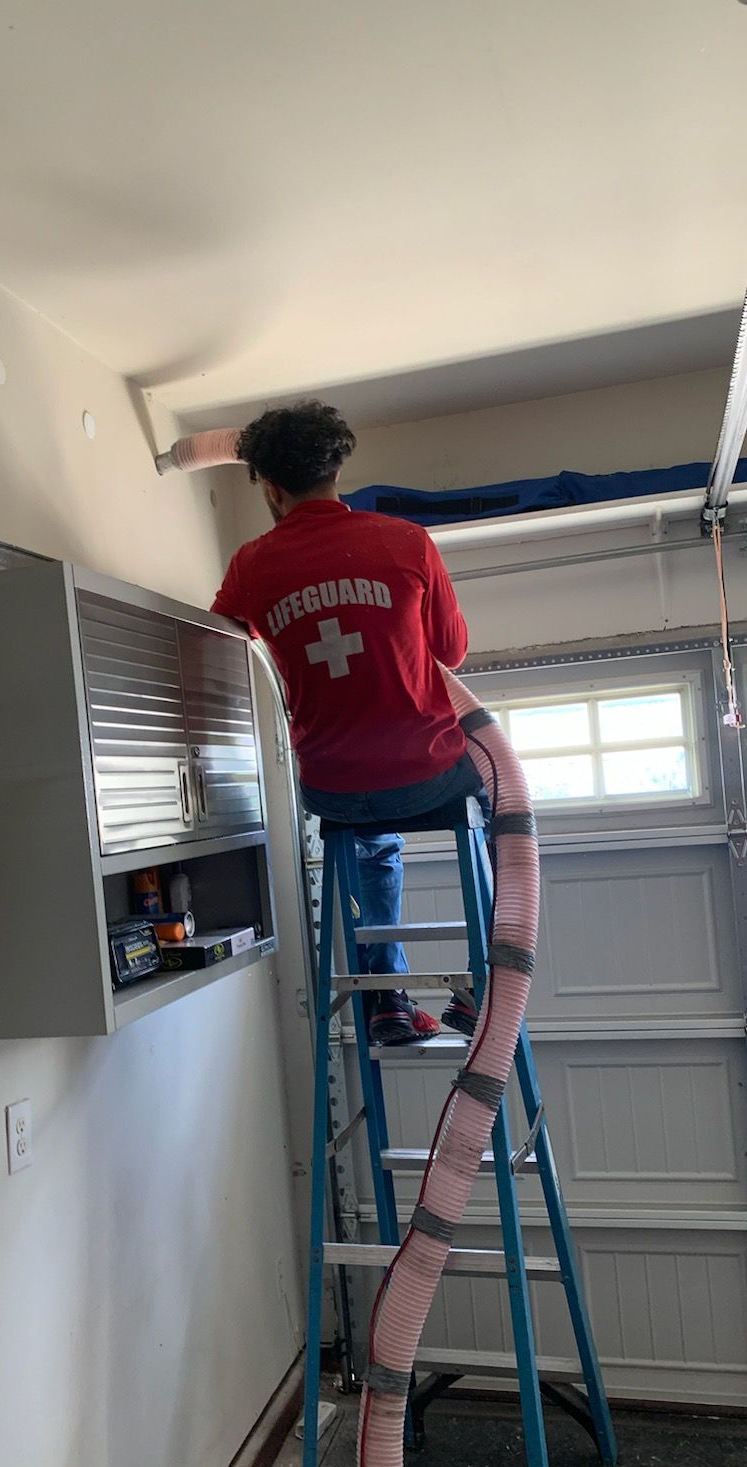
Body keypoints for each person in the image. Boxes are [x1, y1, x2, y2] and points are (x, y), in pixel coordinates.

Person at [211, 401, 485, 1045]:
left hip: (329, 787)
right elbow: (452, 651)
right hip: (423, 774)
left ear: (271, 490)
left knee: (374, 840)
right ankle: (481, 989)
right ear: (336, 472)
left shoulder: (253, 564)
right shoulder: (405, 541)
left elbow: (221, 640)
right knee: (505, 807)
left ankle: (385, 997)